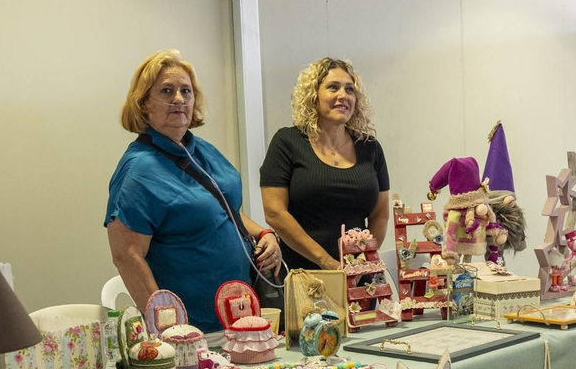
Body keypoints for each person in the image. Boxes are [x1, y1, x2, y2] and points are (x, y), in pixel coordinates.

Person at [106, 49, 282, 333]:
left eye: (186, 91)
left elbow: (226, 210)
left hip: (241, 314)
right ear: (143, 103)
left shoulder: (202, 151)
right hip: (193, 327)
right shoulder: (138, 170)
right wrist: (169, 329)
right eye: (166, 90)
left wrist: (264, 233)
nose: (178, 99)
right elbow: (127, 256)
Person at [261, 57, 392, 270]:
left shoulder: (370, 148)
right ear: (314, 96)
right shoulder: (287, 142)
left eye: (349, 89)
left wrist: (362, 261)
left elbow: (380, 214)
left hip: (358, 277)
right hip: (304, 275)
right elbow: (274, 213)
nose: (343, 95)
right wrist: (327, 263)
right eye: (333, 87)